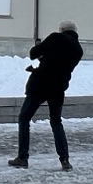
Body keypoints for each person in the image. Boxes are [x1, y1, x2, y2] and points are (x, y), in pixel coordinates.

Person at [10, 20, 83, 169]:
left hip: (40, 85)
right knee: (56, 122)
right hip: (58, 89)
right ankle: (65, 160)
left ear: (62, 30)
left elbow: (33, 53)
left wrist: (40, 50)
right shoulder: (78, 49)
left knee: (24, 117)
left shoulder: (56, 37)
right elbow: (60, 64)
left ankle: (22, 157)